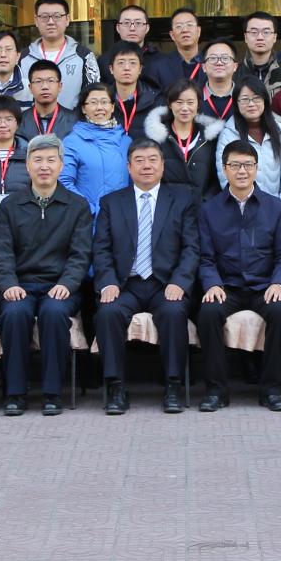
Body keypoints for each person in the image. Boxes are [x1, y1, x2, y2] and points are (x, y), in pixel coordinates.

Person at [92, 139, 200, 414]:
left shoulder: (182, 200)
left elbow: (191, 247)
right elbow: (101, 249)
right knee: (107, 313)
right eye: (139, 160)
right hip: (125, 284)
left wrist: (179, 282)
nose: (146, 166)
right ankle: (115, 387)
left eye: (153, 159)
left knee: (174, 312)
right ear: (129, 167)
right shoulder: (111, 202)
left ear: (163, 165)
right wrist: (108, 282)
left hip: (165, 283)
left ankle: (173, 385)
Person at [0, 135, 94, 416]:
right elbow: (2, 252)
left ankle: (52, 392)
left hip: (60, 286)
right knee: (14, 314)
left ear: (61, 165)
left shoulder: (77, 205)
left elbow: (81, 254)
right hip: (20, 285)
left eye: (51, 160)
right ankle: (15, 393)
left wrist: (67, 284)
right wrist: (8, 284)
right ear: (27, 165)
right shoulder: (11, 205)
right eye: (37, 160)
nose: (44, 166)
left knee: (53, 313)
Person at [196, 142, 281, 411]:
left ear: (257, 168)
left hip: (264, 286)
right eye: (235, 165)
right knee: (208, 313)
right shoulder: (209, 210)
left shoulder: (276, 208)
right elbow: (206, 257)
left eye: (248, 165)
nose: (242, 171)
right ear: (224, 169)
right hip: (227, 287)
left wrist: (278, 283)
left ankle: (272, 389)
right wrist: (212, 284)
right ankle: (216, 391)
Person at [58, 83, 133, 214]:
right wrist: (91, 209)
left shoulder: (126, 141)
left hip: (122, 217)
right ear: (83, 108)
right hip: (88, 217)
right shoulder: (72, 142)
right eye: (93, 102)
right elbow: (64, 181)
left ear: (112, 107)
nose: (99, 107)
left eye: (104, 102)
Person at [145, 79, 222, 201]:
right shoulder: (157, 137)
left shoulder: (210, 138)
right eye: (179, 102)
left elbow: (216, 178)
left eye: (190, 102)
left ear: (198, 104)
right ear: (170, 104)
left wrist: (206, 202)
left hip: (200, 208)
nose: (185, 108)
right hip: (167, 208)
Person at [24, 0, 98, 108]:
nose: (50, 22)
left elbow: (94, 96)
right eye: (44, 16)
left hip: (73, 119)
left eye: (57, 16)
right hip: (31, 119)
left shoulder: (84, 56)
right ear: (36, 20)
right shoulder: (23, 57)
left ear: (67, 19)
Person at [215, 79, 281, 196]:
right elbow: (225, 177)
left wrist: (280, 203)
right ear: (236, 103)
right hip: (242, 204)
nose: (251, 104)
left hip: (277, 204)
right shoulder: (228, 134)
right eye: (244, 99)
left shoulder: (279, 129)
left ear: (265, 100)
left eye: (256, 98)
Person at [144, 7, 206, 92]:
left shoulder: (212, 63)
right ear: (172, 35)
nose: (185, 30)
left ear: (198, 31)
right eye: (179, 26)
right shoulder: (158, 66)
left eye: (189, 25)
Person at [102, 42, 159, 133]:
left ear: (140, 69)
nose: (127, 68)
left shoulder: (156, 100)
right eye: (121, 63)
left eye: (132, 63)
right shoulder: (101, 102)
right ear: (111, 69)